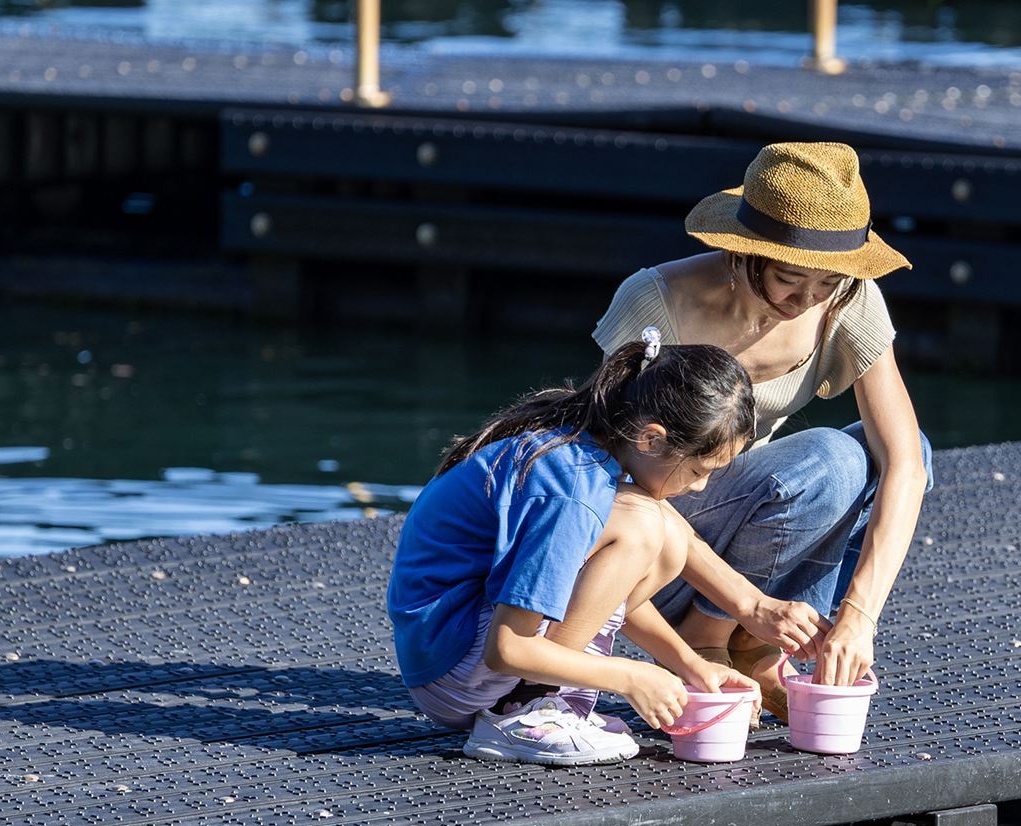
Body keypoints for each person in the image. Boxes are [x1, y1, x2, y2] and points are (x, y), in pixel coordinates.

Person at [594, 141, 931, 722]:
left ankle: (759, 646)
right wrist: (744, 601)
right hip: (656, 546)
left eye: (828, 283)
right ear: (743, 255)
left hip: (755, 540)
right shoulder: (657, 300)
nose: (806, 302)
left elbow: (905, 462)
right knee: (831, 458)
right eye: (788, 279)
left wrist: (858, 615)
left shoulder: (850, 300)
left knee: (901, 455)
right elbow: (608, 477)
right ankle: (706, 634)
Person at [387, 330, 758, 767]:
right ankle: (523, 711)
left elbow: (601, 594)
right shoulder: (572, 490)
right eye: (698, 469)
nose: (700, 486)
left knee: (669, 536)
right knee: (643, 524)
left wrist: (690, 665)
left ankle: (538, 696)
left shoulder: (586, 441)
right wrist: (631, 676)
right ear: (651, 440)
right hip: (452, 668)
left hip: (452, 648)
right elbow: (506, 649)